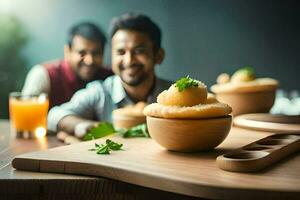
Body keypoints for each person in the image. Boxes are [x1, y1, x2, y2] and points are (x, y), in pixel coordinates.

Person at [47, 12, 172, 137]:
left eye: (139, 51)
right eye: (121, 52)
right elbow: (54, 116)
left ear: (158, 56)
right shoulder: (100, 92)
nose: (129, 60)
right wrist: (81, 125)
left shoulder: (176, 95)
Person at [22, 22, 113, 108]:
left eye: (96, 53)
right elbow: (26, 116)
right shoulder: (44, 75)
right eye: (82, 53)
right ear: (67, 51)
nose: (89, 60)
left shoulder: (110, 78)